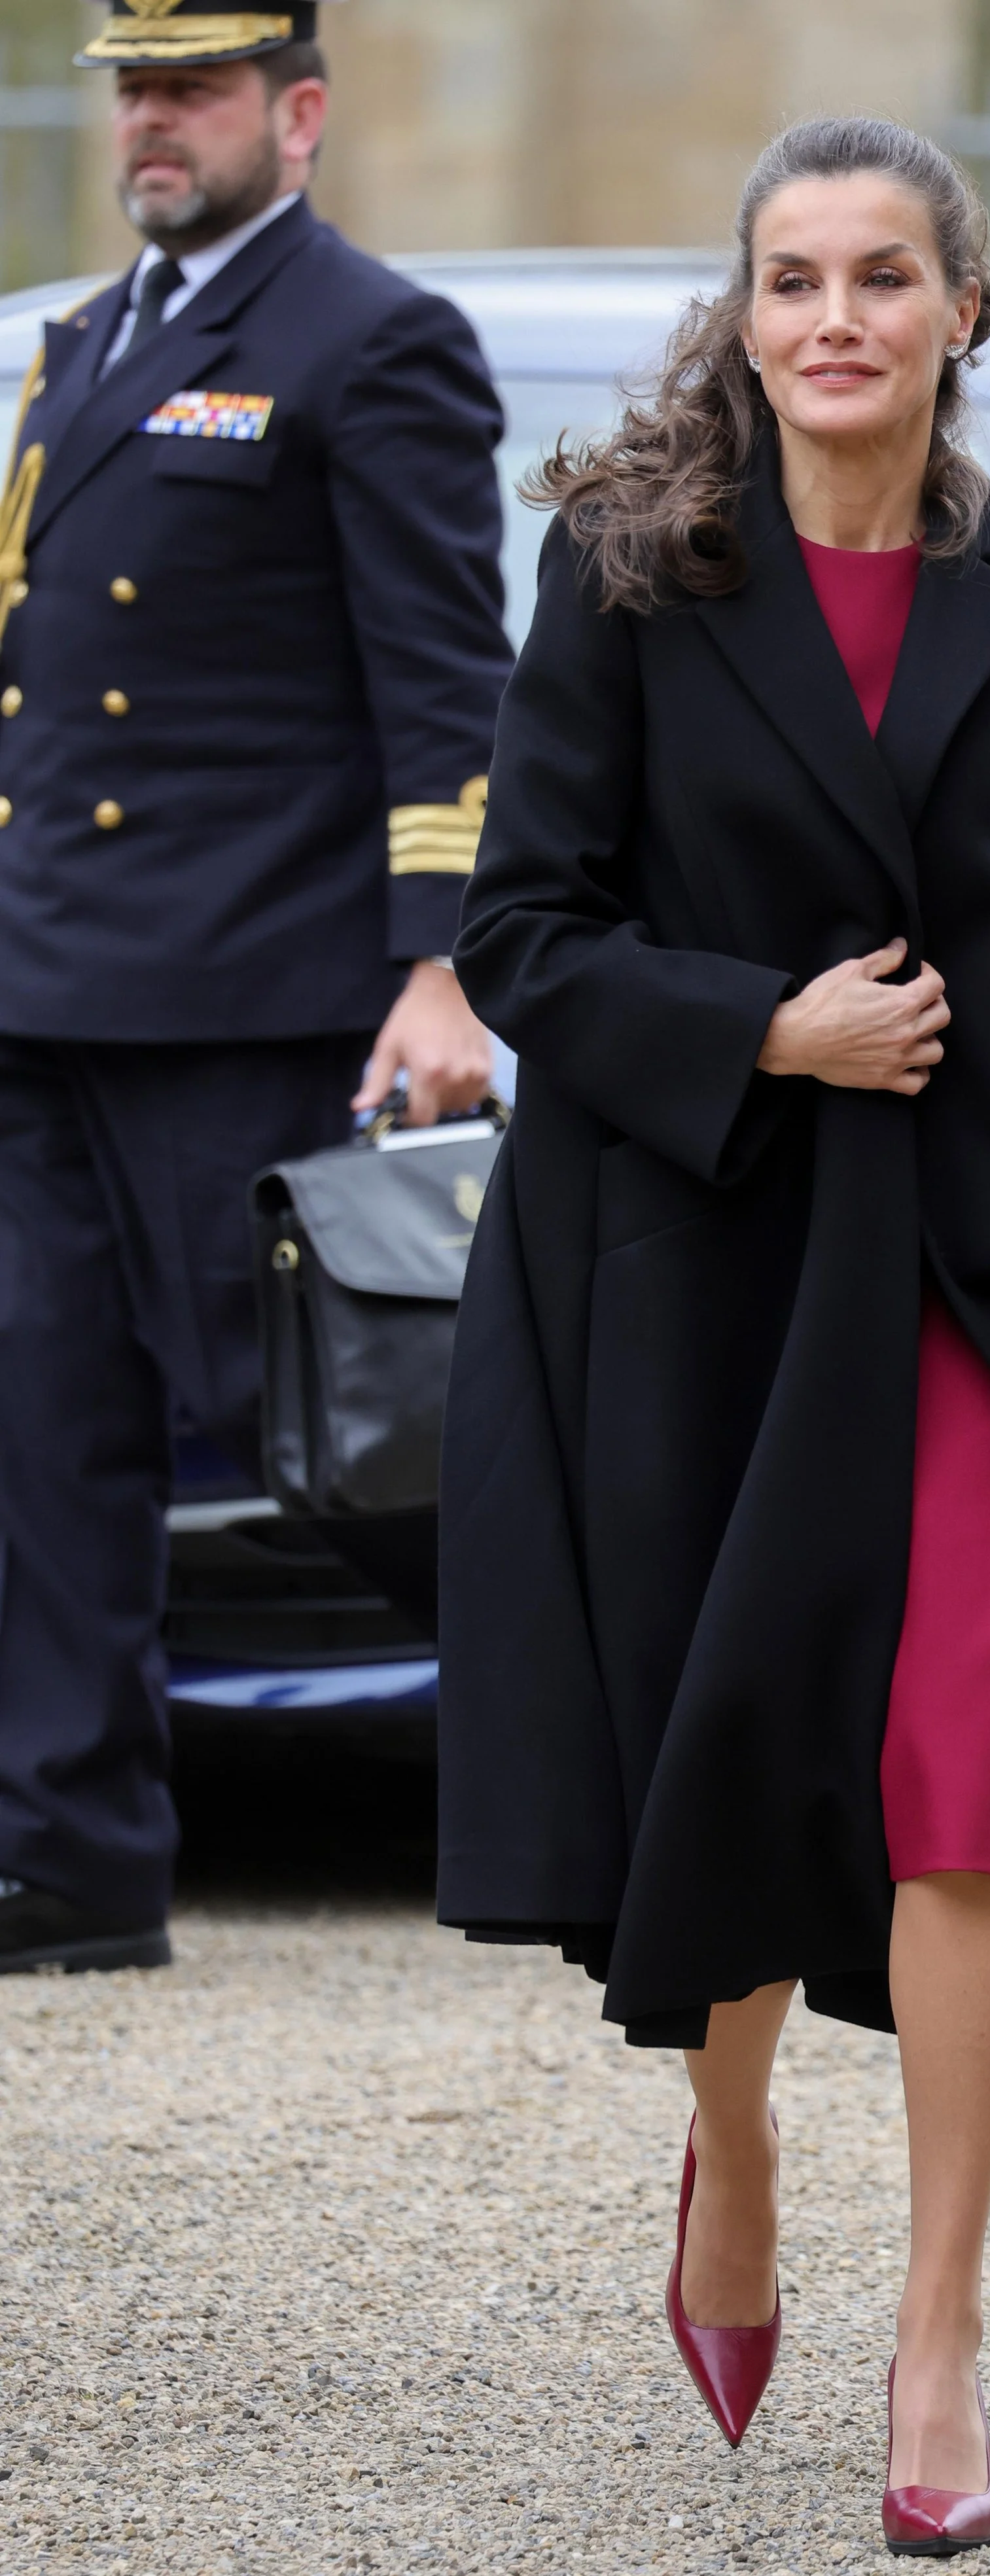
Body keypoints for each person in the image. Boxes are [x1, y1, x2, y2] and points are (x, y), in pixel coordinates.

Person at [436, 116, 990, 2556]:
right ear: (744, 314)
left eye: (880, 276)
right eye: (789, 278)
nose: (832, 320)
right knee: (749, 1756)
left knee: (976, 1739)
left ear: (956, 312)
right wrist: (763, 1037)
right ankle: (731, 2142)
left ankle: (937, 2336)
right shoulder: (627, 577)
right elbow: (523, 936)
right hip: (707, 1268)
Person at [0, 0, 514, 1977]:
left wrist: (440, 968)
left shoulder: (370, 341)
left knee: (336, 1435)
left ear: (294, 116)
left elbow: (443, 681)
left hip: (242, 990)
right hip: (51, 986)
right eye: (132, 85)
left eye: (194, 86)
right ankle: (71, 1860)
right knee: (48, 1436)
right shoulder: (90, 341)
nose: (154, 119)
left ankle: (630, 1763)